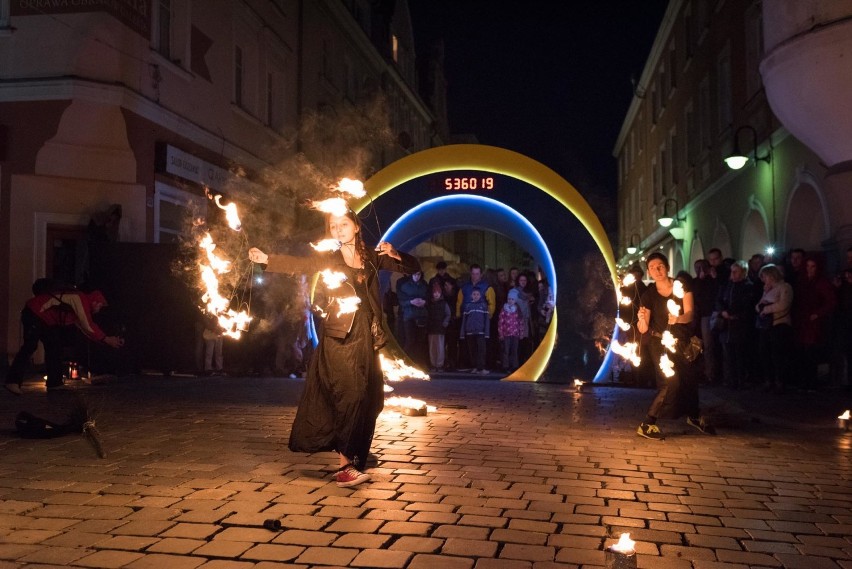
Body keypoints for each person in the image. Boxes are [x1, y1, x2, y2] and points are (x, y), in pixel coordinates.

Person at [248, 210, 420, 487]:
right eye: (333, 226)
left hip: (368, 336)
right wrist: (267, 259)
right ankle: (345, 467)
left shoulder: (372, 257)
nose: (338, 229)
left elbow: (413, 268)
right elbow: (301, 264)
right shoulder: (329, 258)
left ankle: (352, 450)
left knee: (370, 397)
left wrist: (396, 253)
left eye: (343, 224)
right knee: (349, 394)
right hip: (339, 337)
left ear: (355, 226)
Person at [635, 252, 713, 439]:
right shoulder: (648, 295)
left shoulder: (682, 286)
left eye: (660, 265)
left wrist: (678, 318)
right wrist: (641, 320)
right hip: (659, 343)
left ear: (667, 267)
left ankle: (693, 416)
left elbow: (690, 313)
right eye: (652, 268)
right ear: (648, 272)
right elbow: (644, 328)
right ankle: (647, 423)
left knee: (689, 379)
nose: (657, 270)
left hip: (682, 341)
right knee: (671, 381)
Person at [5, 282, 124, 394]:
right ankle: (12, 381)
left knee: (54, 346)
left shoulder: (81, 303)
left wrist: (106, 340)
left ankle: (54, 383)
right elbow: (88, 326)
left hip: (46, 320)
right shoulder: (80, 299)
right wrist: (106, 339)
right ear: (95, 302)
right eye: (100, 305)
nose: (99, 309)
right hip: (34, 313)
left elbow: (85, 329)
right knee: (30, 346)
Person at [793, 256, 836, 390]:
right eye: (808, 266)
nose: (810, 269)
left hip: (814, 323)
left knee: (811, 353)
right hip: (802, 320)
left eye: (813, 267)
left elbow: (831, 302)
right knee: (802, 352)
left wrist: (817, 314)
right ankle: (803, 380)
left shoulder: (821, 282)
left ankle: (811, 381)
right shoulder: (803, 281)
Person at [714, 260, 754, 389]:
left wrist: (734, 314)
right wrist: (723, 312)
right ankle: (731, 380)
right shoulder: (727, 285)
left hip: (740, 326)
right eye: (732, 271)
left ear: (743, 272)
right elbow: (719, 300)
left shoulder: (748, 287)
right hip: (727, 326)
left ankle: (741, 380)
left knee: (740, 354)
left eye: (735, 272)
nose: (733, 274)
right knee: (729, 354)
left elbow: (747, 305)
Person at [755, 264, 794, 391]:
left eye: (764, 276)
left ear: (771, 275)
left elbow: (783, 304)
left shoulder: (785, 287)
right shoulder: (767, 289)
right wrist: (764, 296)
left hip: (779, 324)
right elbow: (758, 305)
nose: (763, 279)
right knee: (764, 352)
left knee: (778, 354)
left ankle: (780, 381)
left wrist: (767, 309)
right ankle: (769, 380)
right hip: (766, 325)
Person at [396, 269, 428, 366]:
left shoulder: (424, 284)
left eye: (418, 274)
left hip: (421, 315)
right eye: (415, 274)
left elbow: (428, 296)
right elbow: (401, 299)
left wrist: (424, 302)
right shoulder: (404, 284)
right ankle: (404, 361)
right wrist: (411, 302)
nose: (417, 277)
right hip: (409, 315)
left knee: (420, 341)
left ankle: (417, 362)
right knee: (410, 340)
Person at [459, 288, 490, 375]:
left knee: (481, 350)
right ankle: (475, 367)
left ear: (480, 295)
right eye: (474, 294)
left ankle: (481, 368)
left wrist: (487, 333)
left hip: (481, 332)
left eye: (477, 294)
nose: (476, 296)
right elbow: (464, 320)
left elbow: (487, 320)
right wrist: (462, 333)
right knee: (472, 351)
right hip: (470, 332)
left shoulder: (484, 306)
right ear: (471, 295)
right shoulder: (468, 306)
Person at [425, 282, 450, 372]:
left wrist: (445, 322)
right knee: (432, 347)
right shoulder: (430, 304)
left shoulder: (444, 304)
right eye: (435, 292)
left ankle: (439, 365)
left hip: (440, 328)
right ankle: (433, 364)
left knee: (440, 347)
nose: (436, 294)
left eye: (438, 292)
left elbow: (448, 314)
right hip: (432, 328)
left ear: (440, 293)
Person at [498, 288, 523, 373]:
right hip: (506, 334)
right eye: (509, 299)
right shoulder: (504, 309)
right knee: (506, 350)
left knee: (514, 350)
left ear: (515, 300)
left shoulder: (517, 310)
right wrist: (501, 333)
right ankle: (505, 366)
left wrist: (521, 333)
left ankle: (514, 366)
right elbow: (501, 322)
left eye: (512, 299)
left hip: (515, 334)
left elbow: (520, 322)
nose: (510, 300)